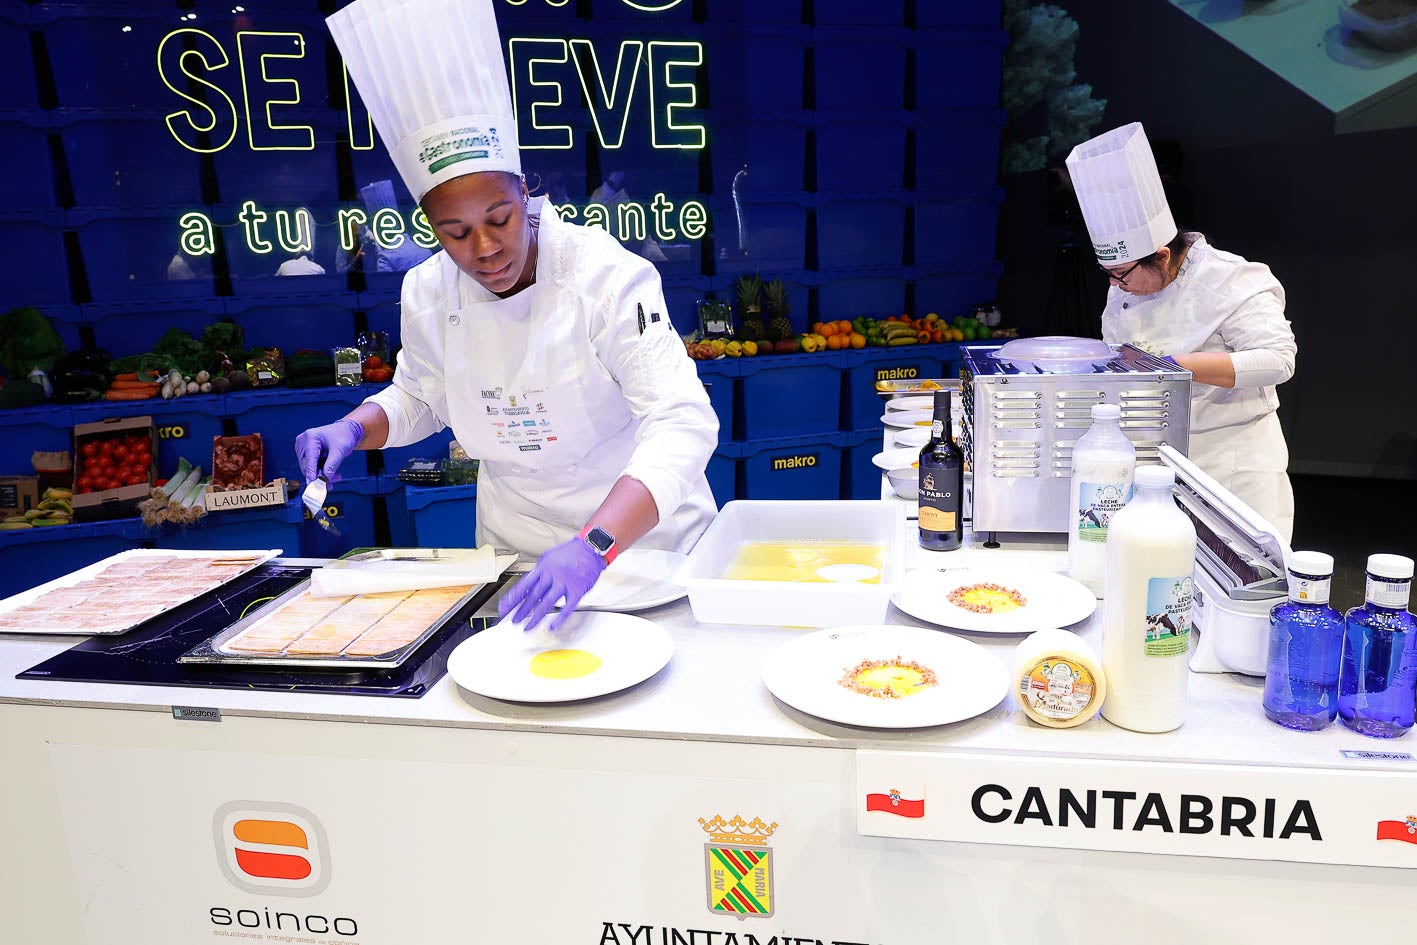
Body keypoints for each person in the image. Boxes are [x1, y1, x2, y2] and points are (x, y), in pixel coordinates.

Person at [301, 0, 718, 632]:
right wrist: (355, 429)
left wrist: (594, 545)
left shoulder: (605, 276)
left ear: (526, 193)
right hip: (517, 563)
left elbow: (682, 420)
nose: (486, 248)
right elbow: (422, 398)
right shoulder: (427, 292)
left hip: (643, 556)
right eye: (456, 233)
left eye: (499, 219)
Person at [1066, 122, 1296, 542]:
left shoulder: (1235, 279)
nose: (1116, 285)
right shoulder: (1127, 285)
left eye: (1121, 274)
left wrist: (1172, 367)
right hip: (1156, 460)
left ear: (1163, 255)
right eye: (1108, 275)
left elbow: (1277, 361)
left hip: (1232, 461)